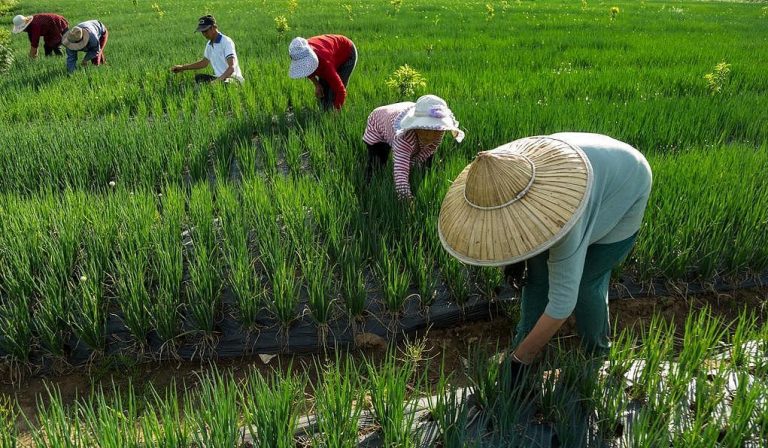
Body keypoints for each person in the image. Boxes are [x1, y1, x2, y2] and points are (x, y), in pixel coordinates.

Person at [437, 133, 652, 384]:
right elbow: (511, 231)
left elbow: (563, 303)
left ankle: (597, 355)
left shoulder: (561, 218)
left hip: (626, 183)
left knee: (586, 284)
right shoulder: (498, 170)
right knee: (536, 276)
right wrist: (515, 260)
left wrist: (520, 361)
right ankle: (524, 341)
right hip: (583, 169)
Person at [362, 94, 464, 200]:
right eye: (426, 128)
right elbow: (400, 170)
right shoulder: (404, 137)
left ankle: (420, 178)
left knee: (425, 162)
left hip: (401, 110)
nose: (430, 136)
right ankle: (367, 187)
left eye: (437, 129)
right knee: (378, 161)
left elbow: (429, 150)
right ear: (415, 125)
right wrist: (406, 198)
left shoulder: (438, 134)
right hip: (379, 121)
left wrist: (417, 164)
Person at [288, 35, 357, 111]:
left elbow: (340, 91)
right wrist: (317, 84)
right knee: (323, 93)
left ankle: (333, 114)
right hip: (330, 54)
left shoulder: (325, 63)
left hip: (347, 53)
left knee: (333, 94)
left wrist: (336, 113)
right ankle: (324, 111)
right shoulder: (300, 50)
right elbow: (305, 69)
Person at [170, 15, 244, 84]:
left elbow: (232, 67)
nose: (204, 34)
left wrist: (217, 82)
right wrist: (183, 68)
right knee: (199, 78)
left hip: (233, 79)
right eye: (202, 32)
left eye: (205, 31)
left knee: (224, 84)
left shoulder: (226, 42)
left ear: (213, 27)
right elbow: (204, 63)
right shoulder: (209, 44)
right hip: (219, 78)